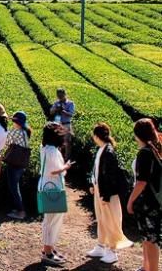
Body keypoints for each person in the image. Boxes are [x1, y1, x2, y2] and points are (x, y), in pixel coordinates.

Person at [86, 122, 132, 264]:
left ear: (97, 136)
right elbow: (98, 171)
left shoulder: (108, 151)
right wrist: (93, 184)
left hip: (108, 193)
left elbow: (111, 177)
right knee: (101, 219)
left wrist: (105, 195)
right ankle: (101, 246)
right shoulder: (102, 149)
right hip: (100, 190)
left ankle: (112, 251)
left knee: (111, 221)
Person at [128, 118, 162, 271]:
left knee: (151, 239)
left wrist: (130, 201)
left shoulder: (145, 153)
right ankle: (147, 267)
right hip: (152, 202)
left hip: (148, 202)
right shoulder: (153, 149)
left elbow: (142, 182)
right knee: (148, 238)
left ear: (137, 134)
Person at [39, 122, 73, 266]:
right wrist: (66, 166)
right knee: (52, 220)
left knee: (50, 219)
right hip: (52, 187)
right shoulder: (53, 151)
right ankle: (47, 251)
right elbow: (55, 170)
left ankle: (50, 248)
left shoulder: (45, 148)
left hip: (46, 185)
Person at [4, 111, 31, 220]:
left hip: (14, 163)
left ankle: (21, 211)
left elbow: (6, 141)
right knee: (16, 186)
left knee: (14, 188)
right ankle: (18, 208)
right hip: (21, 163)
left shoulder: (17, 131)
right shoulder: (25, 131)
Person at [49, 88, 75, 160]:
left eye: (61, 95)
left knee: (67, 143)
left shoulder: (70, 103)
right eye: (58, 96)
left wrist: (63, 111)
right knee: (58, 142)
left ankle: (67, 159)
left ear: (65, 94)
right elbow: (51, 112)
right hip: (57, 125)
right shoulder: (56, 103)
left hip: (66, 125)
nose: (60, 97)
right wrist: (56, 109)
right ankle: (58, 159)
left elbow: (71, 114)